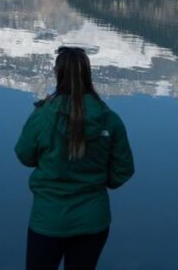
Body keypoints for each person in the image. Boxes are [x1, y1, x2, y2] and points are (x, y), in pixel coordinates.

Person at [15, 46, 135, 270]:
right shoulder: (110, 119)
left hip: (48, 218)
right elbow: (123, 170)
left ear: (57, 74)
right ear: (88, 74)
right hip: (93, 218)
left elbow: (24, 155)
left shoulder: (42, 116)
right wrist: (98, 181)